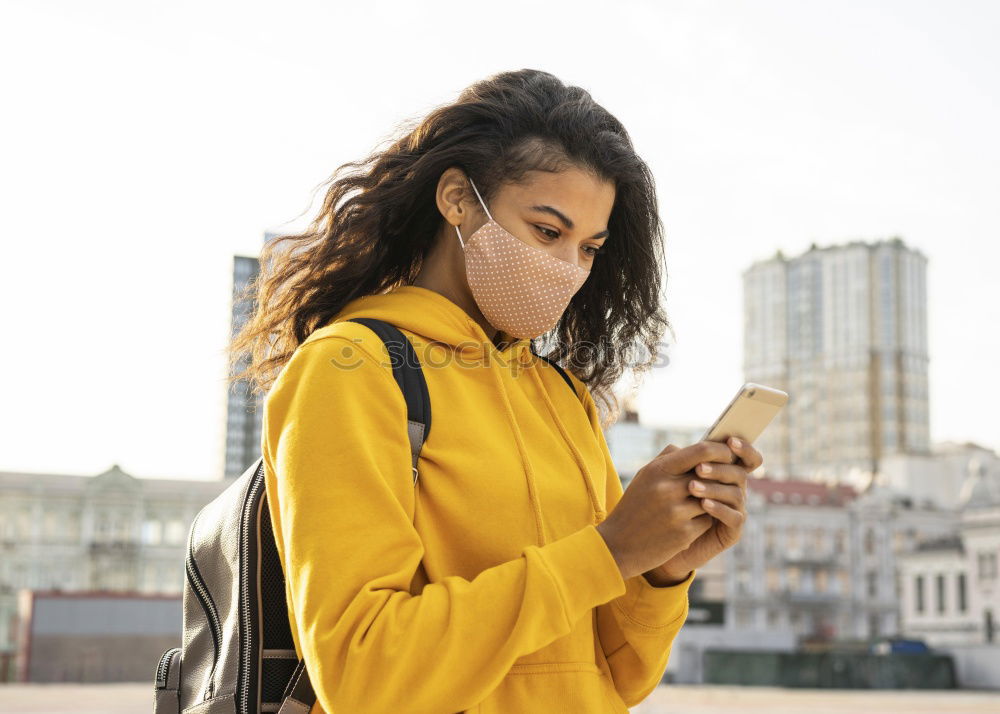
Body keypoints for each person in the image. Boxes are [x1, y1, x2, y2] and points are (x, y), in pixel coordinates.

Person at [228, 68, 763, 714]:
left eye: (590, 248)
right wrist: (608, 549)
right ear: (457, 198)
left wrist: (661, 566)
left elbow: (618, 679)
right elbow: (362, 673)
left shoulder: (564, 398)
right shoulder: (349, 369)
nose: (568, 270)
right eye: (547, 231)